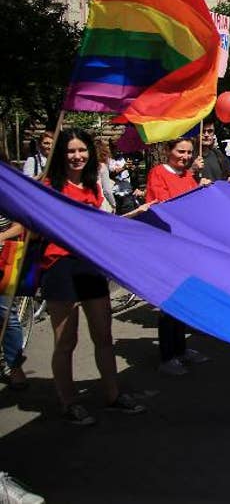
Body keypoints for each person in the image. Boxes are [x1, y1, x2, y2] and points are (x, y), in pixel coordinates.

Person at [41, 128, 147, 425]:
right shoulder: (48, 186)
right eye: (70, 151)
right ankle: (69, 402)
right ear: (61, 155)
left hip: (89, 265)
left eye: (81, 150)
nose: (77, 156)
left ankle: (112, 395)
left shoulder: (92, 186)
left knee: (103, 336)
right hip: (59, 267)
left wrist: (135, 215)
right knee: (66, 341)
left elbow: (100, 226)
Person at [144, 138, 211, 376]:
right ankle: (167, 356)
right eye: (180, 151)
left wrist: (200, 188)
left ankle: (181, 350)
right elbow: (163, 206)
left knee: (182, 299)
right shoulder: (158, 173)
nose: (185, 156)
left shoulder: (187, 175)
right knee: (168, 302)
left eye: (189, 152)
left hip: (186, 247)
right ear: (167, 151)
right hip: (166, 248)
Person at [0, 216, 29, 391]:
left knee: (5, 315)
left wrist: (1, 236)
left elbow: (21, 226)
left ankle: (15, 367)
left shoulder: (5, 197)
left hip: (5, 260)